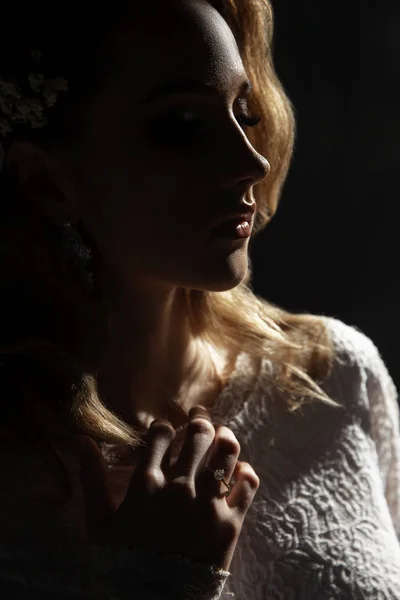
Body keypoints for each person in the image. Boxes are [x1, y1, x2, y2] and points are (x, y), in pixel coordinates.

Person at [0, 0, 399, 598]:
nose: (252, 161)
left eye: (243, 109)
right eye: (181, 125)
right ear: (47, 182)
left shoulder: (332, 374)